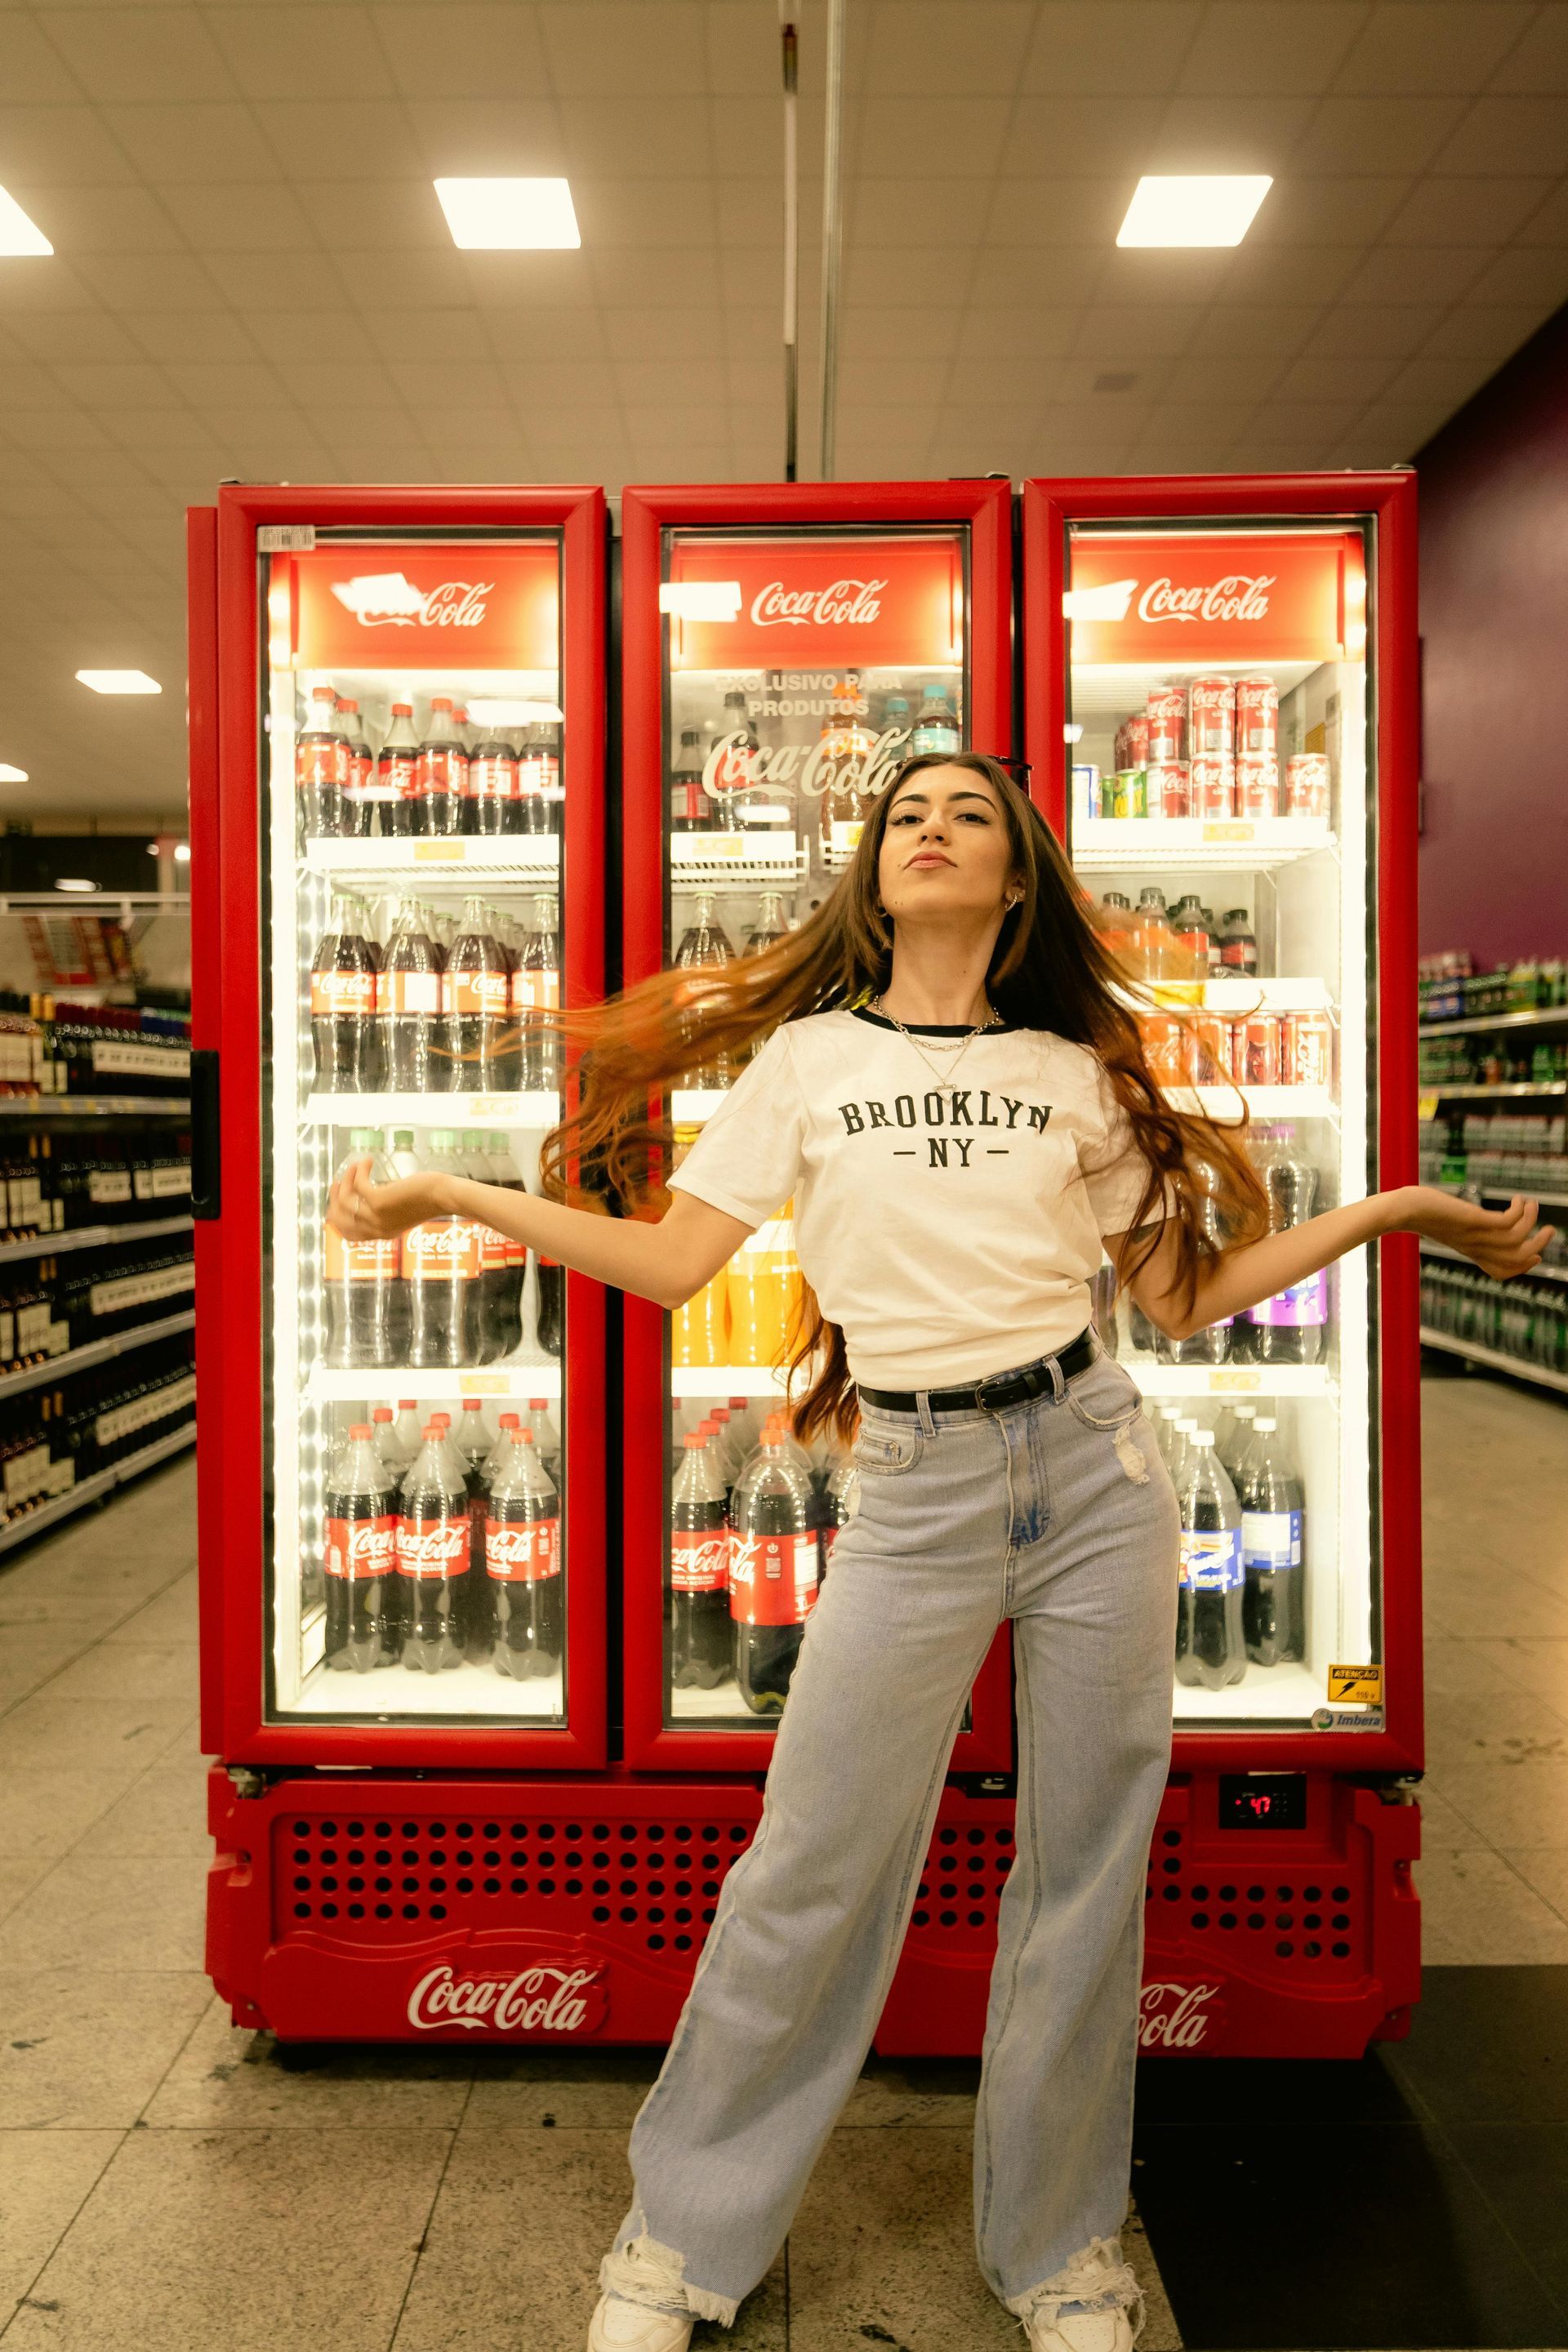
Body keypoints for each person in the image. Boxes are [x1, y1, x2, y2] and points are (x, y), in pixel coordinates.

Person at [326, 754, 1550, 2352]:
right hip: (908, 1488)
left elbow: (1179, 1301)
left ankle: (1058, 2255)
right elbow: (673, 1263)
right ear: (872, 868)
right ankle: (683, 2237)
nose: (932, 825)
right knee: (811, 1863)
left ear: (1019, 878)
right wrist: (446, 1192)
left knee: (1086, 1875)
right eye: (907, 811)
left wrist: (1391, 1209)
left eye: (970, 811)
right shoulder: (807, 1060)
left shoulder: (1075, 1072)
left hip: (1097, 1472)